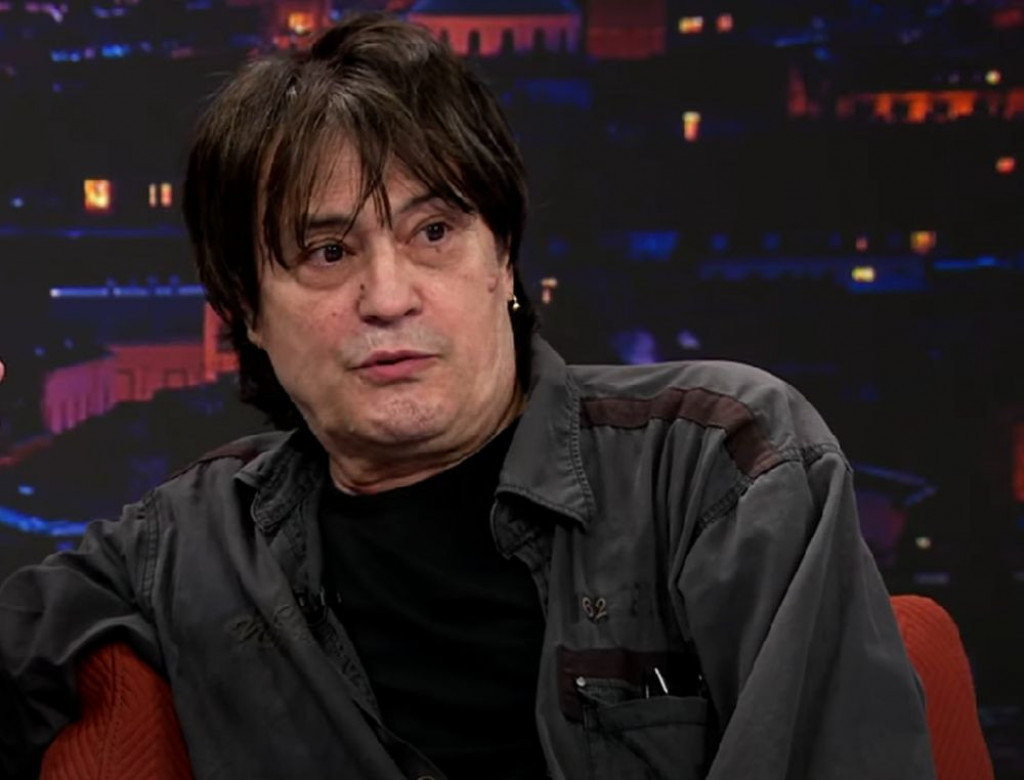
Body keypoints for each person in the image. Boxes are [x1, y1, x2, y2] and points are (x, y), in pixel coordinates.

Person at [0, 13, 934, 780]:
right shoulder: (184, 547)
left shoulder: (722, 466)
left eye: (435, 232)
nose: (389, 296)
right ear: (246, 308)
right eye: (328, 251)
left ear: (504, 261)